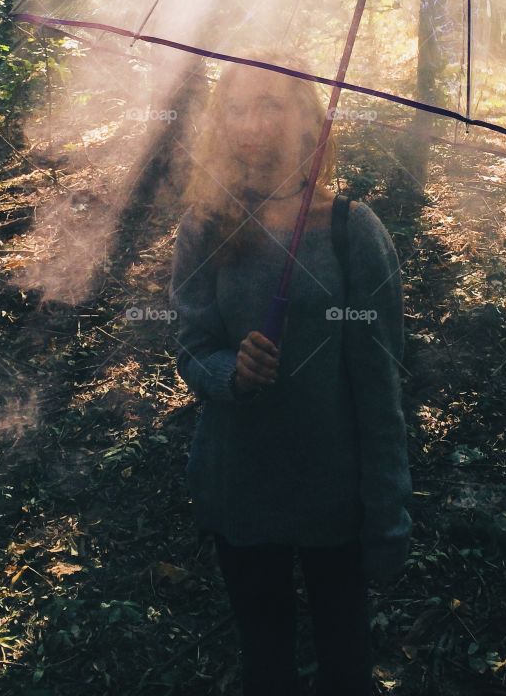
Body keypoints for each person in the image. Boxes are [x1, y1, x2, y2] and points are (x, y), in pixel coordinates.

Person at [168, 57, 412, 696]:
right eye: (239, 107)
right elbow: (192, 349)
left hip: (334, 496)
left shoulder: (350, 231)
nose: (253, 124)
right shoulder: (204, 226)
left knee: (345, 660)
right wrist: (232, 372)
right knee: (266, 661)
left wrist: (388, 512)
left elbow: (380, 384)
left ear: (309, 122)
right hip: (240, 489)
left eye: (273, 105)